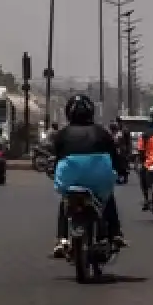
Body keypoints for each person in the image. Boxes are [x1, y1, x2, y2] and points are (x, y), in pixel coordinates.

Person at [50, 94, 126, 258]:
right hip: (98, 180)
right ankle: (115, 233)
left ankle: (62, 239)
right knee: (107, 199)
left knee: (65, 202)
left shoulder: (62, 134)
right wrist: (122, 171)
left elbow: (56, 159)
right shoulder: (102, 133)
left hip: (69, 179)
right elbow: (115, 158)